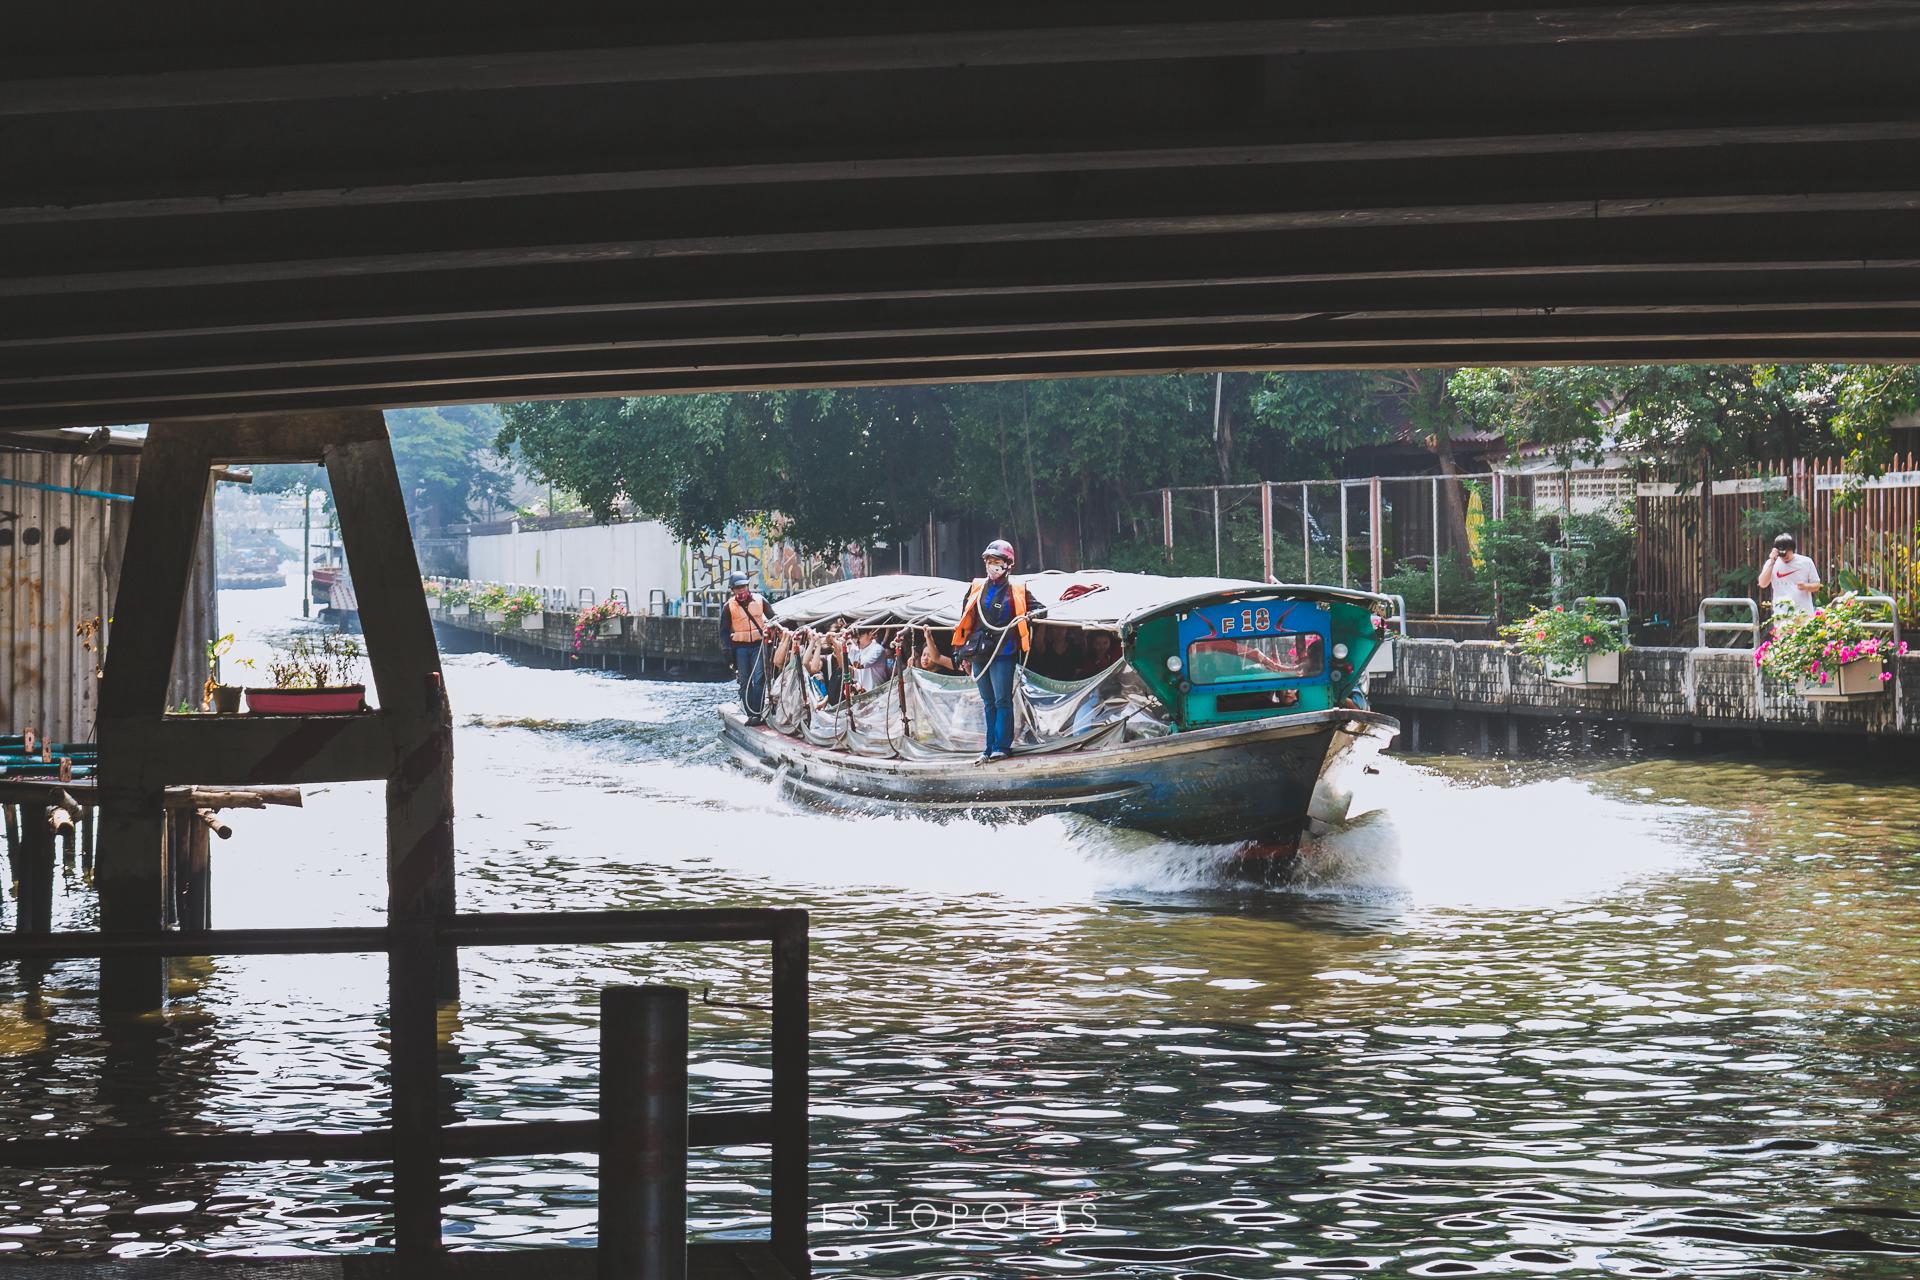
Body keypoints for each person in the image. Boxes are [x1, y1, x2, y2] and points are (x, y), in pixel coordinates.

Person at [951, 539, 1032, 762]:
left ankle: (1002, 746)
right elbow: (965, 619)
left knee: (1002, 700)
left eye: (996, 561)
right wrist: (959, 650)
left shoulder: (1018, 589)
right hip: (980, 652)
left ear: (1008, 564)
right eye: (989, 561)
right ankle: (989, 747)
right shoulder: (977, 587)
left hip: (1004, 652)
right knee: (988, 702)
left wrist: (1032, 616)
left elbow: (1038, 609)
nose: (991, 565)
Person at [719, 571, 776, 724]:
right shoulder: (728, 607)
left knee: (759, 679)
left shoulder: (760, 600)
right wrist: (727, 654)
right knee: (744, 681)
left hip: (758, 645)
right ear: (732, 590)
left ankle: (757, 714)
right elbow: (723, 633)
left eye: (743, 586)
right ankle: (751, 713)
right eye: (738, 588)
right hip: (740, 648)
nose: (742, 590)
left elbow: (774, 618)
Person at [1757, 533, 1820, 617]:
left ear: (1792, 549)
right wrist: (1772, 562)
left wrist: (1806, 586)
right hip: (1781, 614)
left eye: (1788, 551)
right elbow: (1762, 583)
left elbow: (1817, 585)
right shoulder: (1772, 563)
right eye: (1782, 553)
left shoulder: (1806, 562)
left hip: (1803, 613)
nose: (1785, 556)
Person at [846, 625, 892, 693]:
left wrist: (851, 644)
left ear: (870, 635)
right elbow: (856, 674)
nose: (857, 640)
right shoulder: (858, 649)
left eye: (860, 637)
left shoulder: (877, 649)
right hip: (863, 693)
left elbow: (860, 665)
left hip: (878, 692)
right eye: (855, 638)